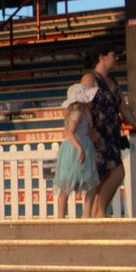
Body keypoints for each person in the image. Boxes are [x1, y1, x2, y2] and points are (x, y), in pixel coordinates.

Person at [82, 45, 136, 217]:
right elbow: (82, 106)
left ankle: (97, 213)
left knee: (108, 175)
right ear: (102, 56)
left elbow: (124, 108)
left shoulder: (112, 81)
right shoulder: (89, 78)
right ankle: (96, 212)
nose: (117, 58)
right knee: (108, 174)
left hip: (111, 134)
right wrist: (90, 131)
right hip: (98, 135)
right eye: (114, 55)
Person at [53, 84, 99, 218]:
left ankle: (86, 215)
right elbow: (69, 132)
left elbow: (88, 132)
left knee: (90, 185)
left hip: (85, 147)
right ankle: (60, 217)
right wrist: (79, 148)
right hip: (74, 149)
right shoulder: (77, 113)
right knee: (67, 184)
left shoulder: (85, 113)